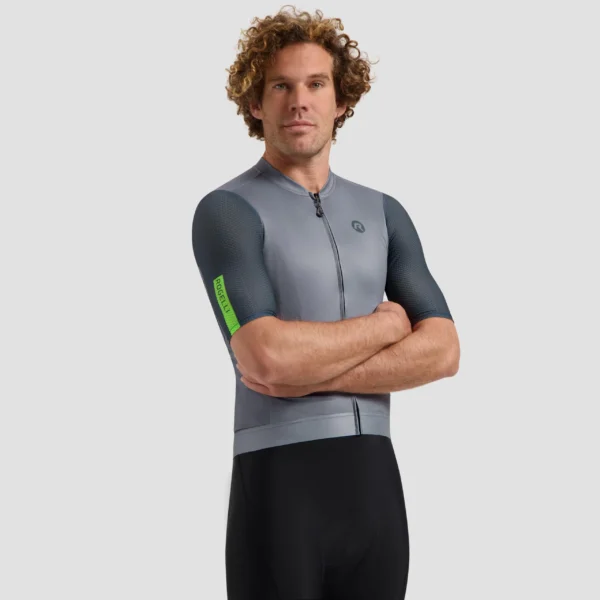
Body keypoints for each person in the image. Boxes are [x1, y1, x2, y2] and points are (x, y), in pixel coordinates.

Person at [191, 6, 460, 599]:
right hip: (279, 491)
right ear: (255, 103)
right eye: (280, 86)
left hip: (376, 491)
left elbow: (443, 351)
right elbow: (264, 357)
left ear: (342, 101)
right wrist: (386, 327)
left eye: (316, 84)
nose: (299, 102)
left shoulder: (384, 212)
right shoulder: (227, 213)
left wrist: (304, 375)